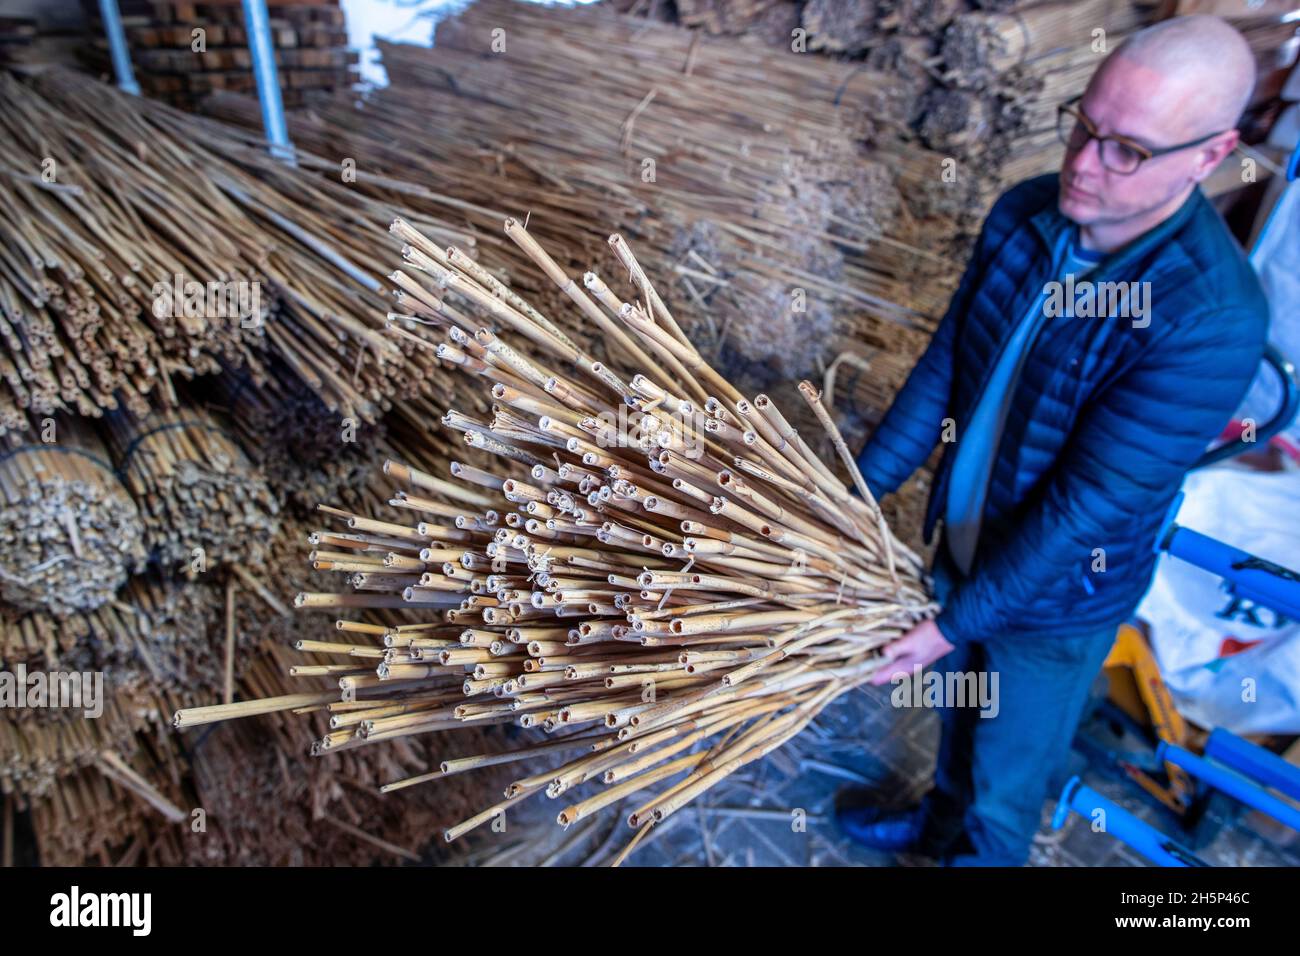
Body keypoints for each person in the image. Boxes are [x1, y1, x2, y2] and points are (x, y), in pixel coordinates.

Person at [838, 15, 1270, 866]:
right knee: (960, 716)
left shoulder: (1210, 318)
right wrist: (857, 490)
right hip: (967, 545)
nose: (1082, 164)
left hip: (1056, 598)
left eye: (1128, 152)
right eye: (1084, 126)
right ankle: (935, 829)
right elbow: (947, 368)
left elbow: (1090, 506)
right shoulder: (1028, 212)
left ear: (1211, 155)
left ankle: (976, 851)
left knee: (1006, 778)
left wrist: (955, 620)